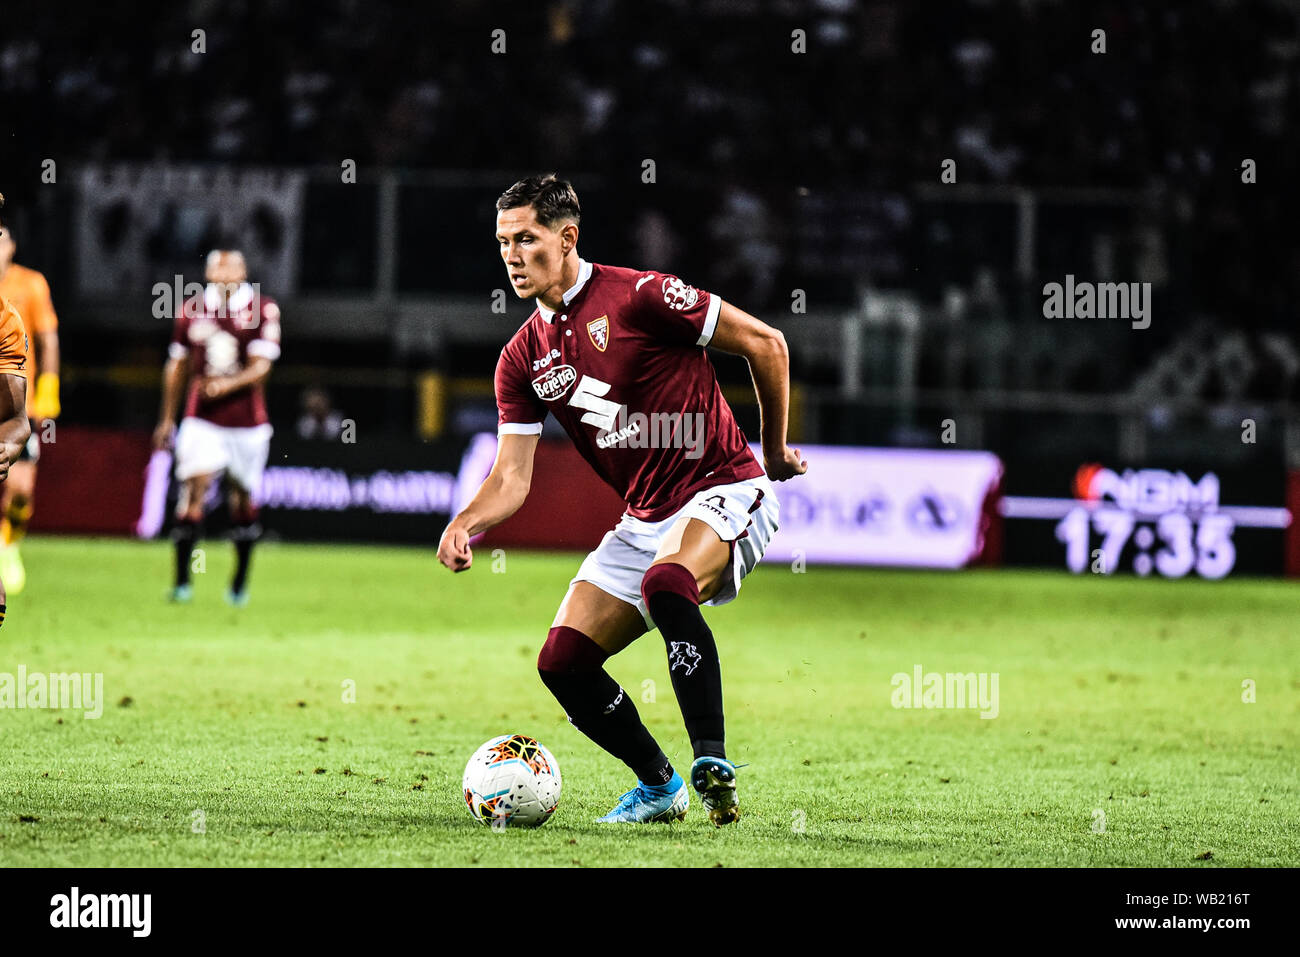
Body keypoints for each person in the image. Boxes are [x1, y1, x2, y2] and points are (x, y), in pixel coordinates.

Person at [438, 174, 806, 826]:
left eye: (526, 239)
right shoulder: (521, 357)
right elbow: (512, 477)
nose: (513, 255)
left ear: (567, 236)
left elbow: (767, 344)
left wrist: (773, 452)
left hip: (723, 486)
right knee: (564, 661)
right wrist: (467, 521)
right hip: (644, 517)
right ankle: (661, 787)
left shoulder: (640, 296)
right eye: (503, 243)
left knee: (670, 581)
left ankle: (712, 761)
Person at [152, 249, 281, 605]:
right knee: (193, 490)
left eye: (231, 269)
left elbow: (262, 367)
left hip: (247, 424)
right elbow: (176, 366)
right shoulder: (190, 310)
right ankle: (182, 583)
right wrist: (166, 419)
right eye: (218, 269)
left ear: (243, 273)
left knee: (242, 499)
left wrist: (226, 385)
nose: (224, 275)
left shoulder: (262, 309)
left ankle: (238, 583)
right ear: (208, 274)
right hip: (201, 419)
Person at [0, 216, 60, 594]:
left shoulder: (30, 284)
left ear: (12, 247)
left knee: (21, 488)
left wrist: (49, 388)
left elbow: (48, 338)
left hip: (17, 403)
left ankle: (8, 546)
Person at [0, 194, 34, 627]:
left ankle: (10, 547)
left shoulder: (6, 320)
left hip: (32, 393)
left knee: (22, 491)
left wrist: (4, 446)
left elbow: (14, 419)